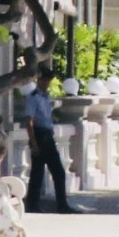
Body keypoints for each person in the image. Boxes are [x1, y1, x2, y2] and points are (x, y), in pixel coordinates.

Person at [22, 67, 76, 214]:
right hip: (39, 135)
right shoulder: (32, 97)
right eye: (44, 79)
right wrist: (33, 141)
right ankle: (33, 204)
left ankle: (61, 204)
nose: (46, 82)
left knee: (57, 172)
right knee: (38, 173)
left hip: (47, 135)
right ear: (39, 79)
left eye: (48, 80)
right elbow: (29, 120)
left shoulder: (46, 97)